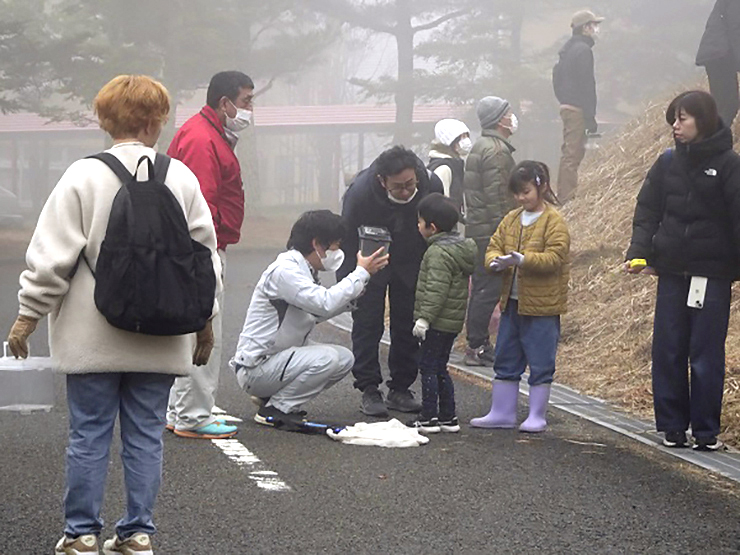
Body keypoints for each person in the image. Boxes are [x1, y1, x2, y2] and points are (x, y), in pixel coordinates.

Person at [5, 75, 221, 555]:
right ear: (157, 120)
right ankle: (137, 533)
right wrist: (204, 322)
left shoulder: (82, 176)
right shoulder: (180, 177)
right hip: (163, 334)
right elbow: (205, 260)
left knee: (88, 435)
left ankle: (81, 533)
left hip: (91, 335)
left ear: (106, 121)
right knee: (146, 436)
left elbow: (52, 256)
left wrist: (28, 315)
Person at [625, 90, 740, 451]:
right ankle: (673, 426)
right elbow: (647, 210)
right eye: (674, 118)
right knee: (669, 348)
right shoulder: (667, 162)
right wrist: (639, 252)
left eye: (683, 118)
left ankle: (705, 432)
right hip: (672, 271)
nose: (675, 125)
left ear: (702, 121)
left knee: (706, 353)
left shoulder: (729, 165)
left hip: (712, 274)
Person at [231, 210, 389, 428]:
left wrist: (353, 297)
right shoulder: (285, 271)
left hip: (276, 361)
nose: (338, 252)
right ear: (317, 244)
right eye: (335, 246)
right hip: (257, 367)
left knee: (344, 358)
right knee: (326, 359)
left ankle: (275, 399)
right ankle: (277, 409)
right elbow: (323, 302)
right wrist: (360, 273)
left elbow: (316, 312)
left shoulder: (303, 269)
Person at [166, 70, 254, 439]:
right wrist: (209, 252)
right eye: (247, 101)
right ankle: (193, 415)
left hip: (197, 248)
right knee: (206, 333)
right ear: (224, 103)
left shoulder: (206, 133)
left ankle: (178, 410)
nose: (250, 109)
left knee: (190, 332)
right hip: (202, 249)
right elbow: (200, 206)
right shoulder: (204, 140)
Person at [338, 146, 444, 417]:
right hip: (371, 257)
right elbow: (347, 238)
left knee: (408, 322)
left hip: (411, 256)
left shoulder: (431, 183)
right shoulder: (360, 193)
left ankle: (400, 388)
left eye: (410, 184)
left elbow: (439, 229)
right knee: (367, 321)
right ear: (382, 181)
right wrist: (348, 283)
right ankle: (369, 388)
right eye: (398, 187)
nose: (407, 191)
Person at [470, 161, 569, 433]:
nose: (520, 198)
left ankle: (537, 415)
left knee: (540, 358)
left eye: (525, 191)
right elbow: (494, 245)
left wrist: (524, 260)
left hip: (542, 306)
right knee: (505, 355)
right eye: (517, 193)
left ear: (542, 187)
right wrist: (494, 262)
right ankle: (502, 412)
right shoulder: (511, 218)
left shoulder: (554, 221)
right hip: (511, 304)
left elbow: (556, 257)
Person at [408, 193, 476, 433]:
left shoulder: (437, 253)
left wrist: (424, 319)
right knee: (440, 366)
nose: (418, 226)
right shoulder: (459, 249)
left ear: (432, 227)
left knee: (428, 366)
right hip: (452, 321)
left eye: (420, 221)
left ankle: (428, 417)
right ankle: (448, 416)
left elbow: (436, 290)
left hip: (436, 321)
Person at [462, 96, 518, 367]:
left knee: (483, 287)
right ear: (499, 119)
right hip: (490, 231)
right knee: (488, 288)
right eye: (509, 112)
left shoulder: (482, 146)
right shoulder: (496, 151)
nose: (512, 117)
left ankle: (476, 342)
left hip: (479, 228)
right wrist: (505, 233)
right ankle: (478, 345)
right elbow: (499, 197)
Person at [553, 9, 604, 202]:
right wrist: (590, 116)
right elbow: (587, 85)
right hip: (577, 109)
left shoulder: (566, 51)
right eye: (593, 25)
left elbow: (556, 79)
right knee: (572, 155)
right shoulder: (583, 51)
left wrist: (563, 99)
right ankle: (567, 198)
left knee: (569, 152)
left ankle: (564, 193)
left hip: (566, 105)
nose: (596, 29)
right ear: (585, 28)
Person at [696, 0, 740, 127]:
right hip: (719, 55)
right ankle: (711, 142)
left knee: (727, 106)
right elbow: (735, 28)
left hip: (720, 53)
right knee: (726, 107)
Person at [427, 118, 472, 216]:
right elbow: (441, 206)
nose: (466, 141)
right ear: (450, 141)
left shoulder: (454, 164)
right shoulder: (443, 169)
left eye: (466, 136)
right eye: (462, 137)